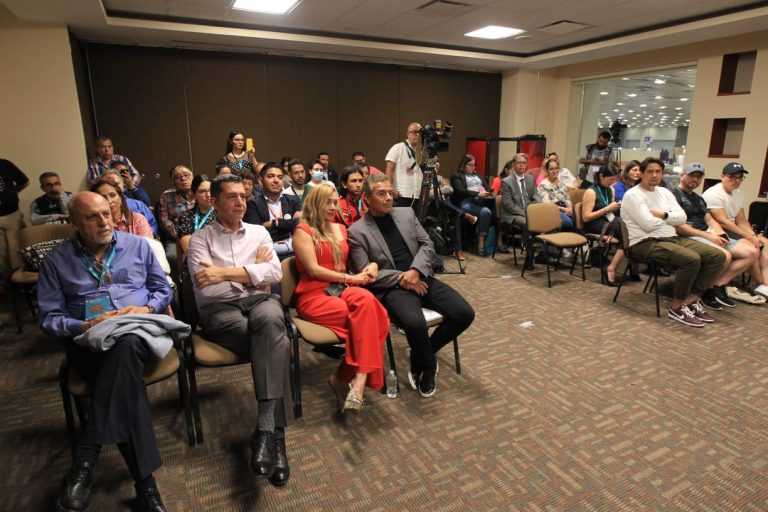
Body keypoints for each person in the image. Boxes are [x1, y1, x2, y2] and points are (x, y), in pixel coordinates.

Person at [38, 192, 174, 512]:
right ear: (73, 222)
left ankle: (86, 458)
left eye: (106, 213)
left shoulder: (138, 246)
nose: (104, 222)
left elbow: (163, 289)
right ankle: (145, 488)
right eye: (91, 217)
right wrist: (82, 326)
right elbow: (48, 318)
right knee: (125, 380)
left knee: (125, 346)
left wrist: (143, 308)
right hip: (89, 343)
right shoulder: (56, 262)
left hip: (137, 334)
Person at [188, 174, 294, 487]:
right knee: (277, 342)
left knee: (271, 322)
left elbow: (274, 273)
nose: (240, 202)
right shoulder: (200, 239)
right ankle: (277, 438)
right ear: (214, 201)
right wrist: (252, 274)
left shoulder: (259, 233)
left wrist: (224, 273)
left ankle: (264, 430)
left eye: (242, 196)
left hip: (261, 301)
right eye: (231, 197)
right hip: (220, 312)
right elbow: (205, 289)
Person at [348, 174, 475, 398]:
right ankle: (425, 367)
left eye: (390, 192)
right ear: (367, 198)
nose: (389, 198)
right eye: (381, 194)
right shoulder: (357, 232)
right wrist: (404, 278)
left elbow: (427, 244)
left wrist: (416, 271)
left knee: (464, 313)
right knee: (415, 324)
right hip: (393, 289)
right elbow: (365, 273)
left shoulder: (406, 214)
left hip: (422, 277)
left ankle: (421, 354)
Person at [292, 183, 388, 413]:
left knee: (374, 309)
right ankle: (348, 378)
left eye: (335, 202)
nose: (333, 206)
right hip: (314, 294)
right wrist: (352, 279)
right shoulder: (303, 231)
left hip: (341, 288)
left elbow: (362, 262)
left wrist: (372, 267)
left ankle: (359, 376)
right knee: (373, 319)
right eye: (328, 202)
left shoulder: (341, 229)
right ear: (315, 202)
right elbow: (313, 270)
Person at [621, 157, 726, 327]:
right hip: (644, 242)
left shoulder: (665, 192)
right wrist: (671, 217)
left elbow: (682, 217)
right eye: (650, 171)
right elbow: (647, 224)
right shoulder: (633, 195)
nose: (654, 175)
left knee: (717, 255)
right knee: (691, 259)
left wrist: (663, 215)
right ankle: (677, 307)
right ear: (640, 173)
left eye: (658, 172)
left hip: (671, 238)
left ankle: (692, 300)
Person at [672, 162, 758, 309]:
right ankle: (703, 291)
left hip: (707, 233)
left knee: (752, 252)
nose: (695, 179)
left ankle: (716, 286)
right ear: (682, 175)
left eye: (699, 177)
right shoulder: (673, 195)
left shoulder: (699, 199)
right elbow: (679, 226)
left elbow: (710, 219)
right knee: (724, 256)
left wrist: (721, 234)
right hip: (689, 235)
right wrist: (709, 236)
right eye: (692, 175)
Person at [703, 162, 768, 298]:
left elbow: (741, 220)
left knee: (764, 242)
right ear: (722, 176)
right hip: (716, 230)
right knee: (754, 249)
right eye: (732, 177)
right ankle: (719, 284)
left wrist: (753, 235)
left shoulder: (738, 194)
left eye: (739, 177)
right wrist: (749, 238)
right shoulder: (713, 193)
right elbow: (723, 222)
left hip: (732, 230)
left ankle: (765, 284)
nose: (736, 180)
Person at [581, 164, 628, 285]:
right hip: (593, 223)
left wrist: (616, 207)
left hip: (607, 221)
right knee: (626, 234)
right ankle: (611, 268)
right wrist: (607, 209)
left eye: (615, 179)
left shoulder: (610, 190)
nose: (612, 182)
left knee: (629, 228)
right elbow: (586, 217)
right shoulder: (591, 192)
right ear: (601, 176)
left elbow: (610, 211)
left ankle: (616, 266)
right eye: (610, 179)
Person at [244, 163, 302, 258]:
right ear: (261, 181)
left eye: (280, 177)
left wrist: (273, 223)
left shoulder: (293, 200)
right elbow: (257, 234)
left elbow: (302, 225)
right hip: (269, 257)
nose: (276, 181)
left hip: (296, 254)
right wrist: (289, 226)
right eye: (271, 176)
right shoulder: (252, 204)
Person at [501, 153, 540, 270]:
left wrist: (533, 210)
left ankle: (545, 253)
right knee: (526, 223)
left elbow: (536, 197)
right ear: (513, 165)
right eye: (519, 162)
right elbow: (508, 205)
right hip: (513, 214)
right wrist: (526, 214)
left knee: (551, 221)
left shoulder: (530, 179)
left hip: (530, 212)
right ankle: (529, 256)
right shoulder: (507, 181)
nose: (521, 165)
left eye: (524, 163)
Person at [450, 154, 494, 256]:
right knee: (485, 211)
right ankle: (481, 241)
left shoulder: (478, 176)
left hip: (480, 201)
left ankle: (485, 240)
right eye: (470, 165)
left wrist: (489, 192)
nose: (472, 167)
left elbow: (486, 187)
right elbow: (461, 191)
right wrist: (477, 194)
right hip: (465, 201)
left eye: (474, 165)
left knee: (490, 211)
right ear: (463, 165)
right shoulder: (457, 175)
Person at [0, 158, 29, 295]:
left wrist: (11, 193)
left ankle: (23, 288)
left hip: (12, 215)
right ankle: (8, 289)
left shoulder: (4, 164)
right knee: (2, 257)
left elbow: (24, 182)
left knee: (17, 253)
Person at [99, 169, 158, 236]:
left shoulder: (138, 208)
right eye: (107, 183)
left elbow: (152, 225)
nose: (109, 201)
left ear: (123, 185)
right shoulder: (97, 222)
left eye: (115, 184)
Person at [157, 165, 195, 266]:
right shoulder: (166, 196)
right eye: (177, 177)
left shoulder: (201, 193)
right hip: (176, 239)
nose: (183, 179)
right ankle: (179, 281)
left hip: (201, 236)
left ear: (193, 177)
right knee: (172, 256)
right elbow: (164, 221)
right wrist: (182, 237)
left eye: (187, 175)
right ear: (172, 182)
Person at [177, 175, 216, 259]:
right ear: (194, 194)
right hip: (194, 260)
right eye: (202, 191)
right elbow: (188, 249)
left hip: (218, 260)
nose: (208, 195)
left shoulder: (221, 214)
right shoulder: (186, 215)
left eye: (210, 190)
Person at [385, 122, 422, 209]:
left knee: (415, 221)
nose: (416, 135)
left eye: (419, 132)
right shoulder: (398, 147)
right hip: (401, 194)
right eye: (413, 132)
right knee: (401, 221)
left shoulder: (422, 152)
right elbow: (389, 170)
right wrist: (391, 189)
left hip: (417, 194)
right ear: (408, 134)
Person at [537, 158, 574, 231]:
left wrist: (570, 208)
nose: (554, 171)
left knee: (578, 221)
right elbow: (547, 204)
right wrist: (563, 209)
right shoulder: (543, 185)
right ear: (547, 171)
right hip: (552, 210)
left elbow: (567, 198)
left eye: (556, 168)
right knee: (568, 222)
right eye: (551, 169)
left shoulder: (561, 183)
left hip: (564, 208)